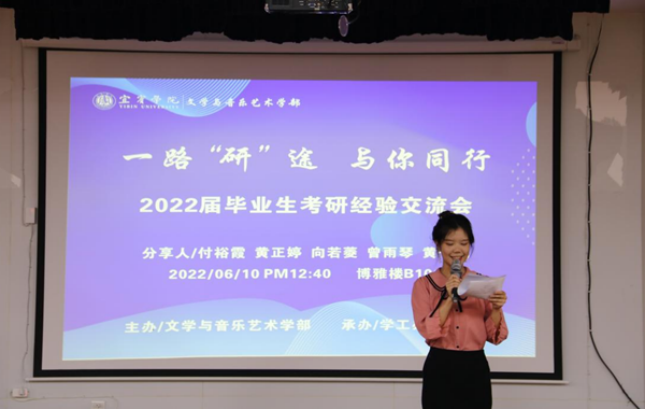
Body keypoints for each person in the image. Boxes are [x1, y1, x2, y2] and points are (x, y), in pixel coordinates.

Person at [411, 211, 508, 409]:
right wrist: (448, 298)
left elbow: (495, 337)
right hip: (440, 365)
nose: (458, 250)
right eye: (450, 243)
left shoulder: (482, 283)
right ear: (438, 244)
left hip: (474, 366)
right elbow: (428, 331)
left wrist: (496, 309)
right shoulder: (424, 285)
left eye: (464, 243)